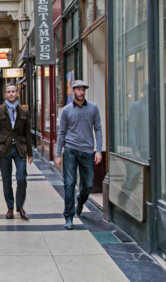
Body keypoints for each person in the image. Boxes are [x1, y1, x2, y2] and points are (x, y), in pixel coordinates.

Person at [55, 79, 103, 230]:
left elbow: (98, 129)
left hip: (88, 151)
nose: (81, 92)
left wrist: (99, 150)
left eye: (83, 90)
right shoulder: (67, 110)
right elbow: (61, 132)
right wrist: (58, 154)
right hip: (70, 150)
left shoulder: (93, 108)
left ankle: (80, 201)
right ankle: (68, 217)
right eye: (78, 89)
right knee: (69, 183)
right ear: (73, 91)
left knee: (87, 185)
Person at [0, 84, 33, 220]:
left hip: (20, 149)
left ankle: (20, 206)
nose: (11, 94)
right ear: (5, 95)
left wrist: (30, 153)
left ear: (17, 93)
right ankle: (10, 207)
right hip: (4, 149)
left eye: (13, 91)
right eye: (8, 92)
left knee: (21, 178)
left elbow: (27, 132)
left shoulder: (24, 112)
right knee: (6, 180)